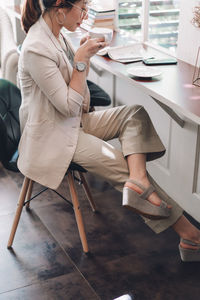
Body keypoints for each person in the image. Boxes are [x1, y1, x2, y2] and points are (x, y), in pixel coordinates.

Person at [17, 0, 200, 262]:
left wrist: (81, 58)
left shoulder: (56, 35)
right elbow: (70, 106)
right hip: (53, 136)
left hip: (72, 123)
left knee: (133, 114)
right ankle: (191, 234)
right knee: (119, 164)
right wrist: (81, 61)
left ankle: (139, 180)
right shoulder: (37, 47)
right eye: (81, 8)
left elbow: (74, 99)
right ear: (60, 9)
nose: (86, 14)